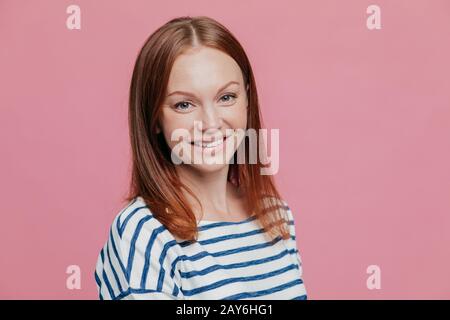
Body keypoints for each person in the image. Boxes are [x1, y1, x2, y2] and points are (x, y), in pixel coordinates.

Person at [94, 15, 307, 300]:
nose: (210, 123)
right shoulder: (144, 231)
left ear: (247, 99)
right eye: (184, 104)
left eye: (226, 98)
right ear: (155, 118)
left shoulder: (276, 215)